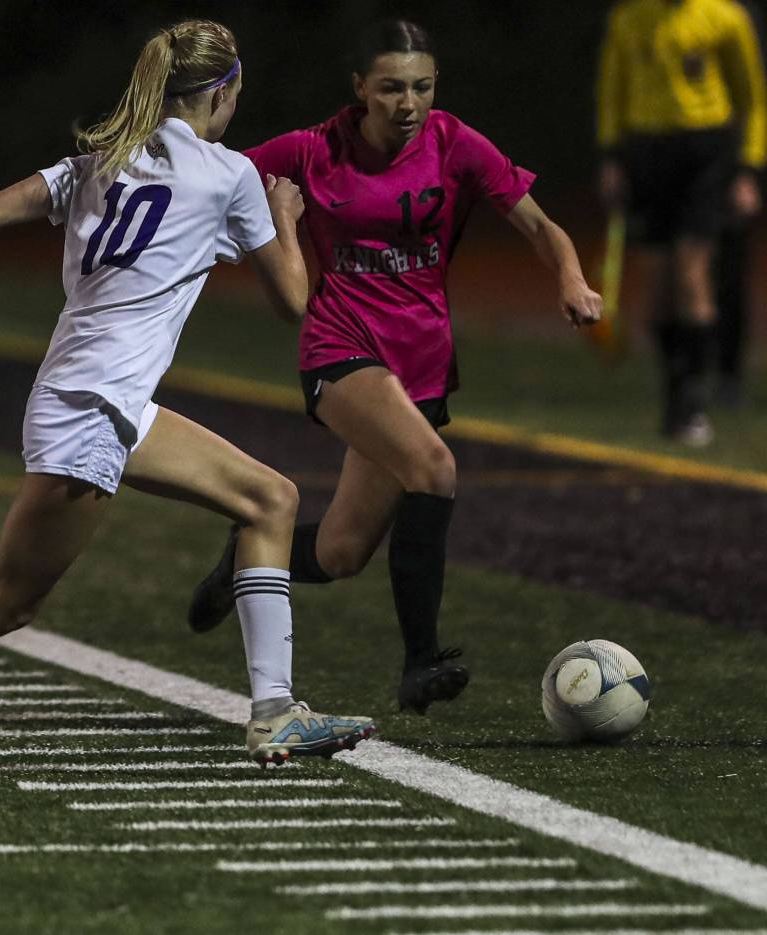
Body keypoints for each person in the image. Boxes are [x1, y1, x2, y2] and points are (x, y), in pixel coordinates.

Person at [0, 19, 375, 783]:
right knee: (2, 605)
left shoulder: (97, 164)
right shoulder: (230, 176)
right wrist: (285, 218)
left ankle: (275, 709)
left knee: (270, 499)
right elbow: (293, 300)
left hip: (97, 399)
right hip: (92, 411)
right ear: (224, 92)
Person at [187, 18, 603, 715]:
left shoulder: (454, 143)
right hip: (340, 348)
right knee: (435, 468)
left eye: (421, 87)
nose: (408, 103)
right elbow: (207, 174)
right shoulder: (311, 150)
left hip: (423, 366)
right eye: (390, 88)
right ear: (360, 88)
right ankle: (421, 662)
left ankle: (241, 562)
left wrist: (571, 277)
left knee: (341, 553)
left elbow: (540, 225)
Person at [597, 0, 766, 442]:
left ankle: (693, 401)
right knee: (657, 287)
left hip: (705, 154)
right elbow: (612, 92)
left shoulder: (725, 18)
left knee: (692, 274)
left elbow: (752, 99)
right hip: (647, 154)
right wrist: (612, 157)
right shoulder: (629, 18)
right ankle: (673, 393)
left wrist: (748, 169)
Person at [716, 0, 765, 405]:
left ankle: (728, 374)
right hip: (702, 162)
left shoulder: (738, 19)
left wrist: (747, 170)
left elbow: (753, 101)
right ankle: (697, 375)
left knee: (730, 273)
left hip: (735, 162)